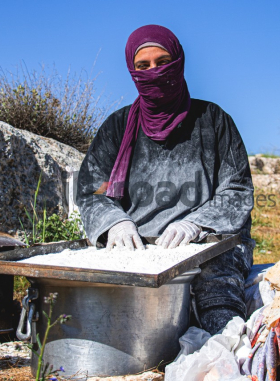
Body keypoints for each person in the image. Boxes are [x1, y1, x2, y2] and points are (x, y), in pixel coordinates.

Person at [76, 24, 255, 335]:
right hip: (139, 250)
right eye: (143, 66)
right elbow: (93, 191)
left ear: (179, 63)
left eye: (162, 62)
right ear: (132, 71)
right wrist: (114, 222)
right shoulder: (116, 128)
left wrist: (196, 224)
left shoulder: (213, 120)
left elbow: (237, 190)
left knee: (220, 318)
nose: (154, 72)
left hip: (210, 247)